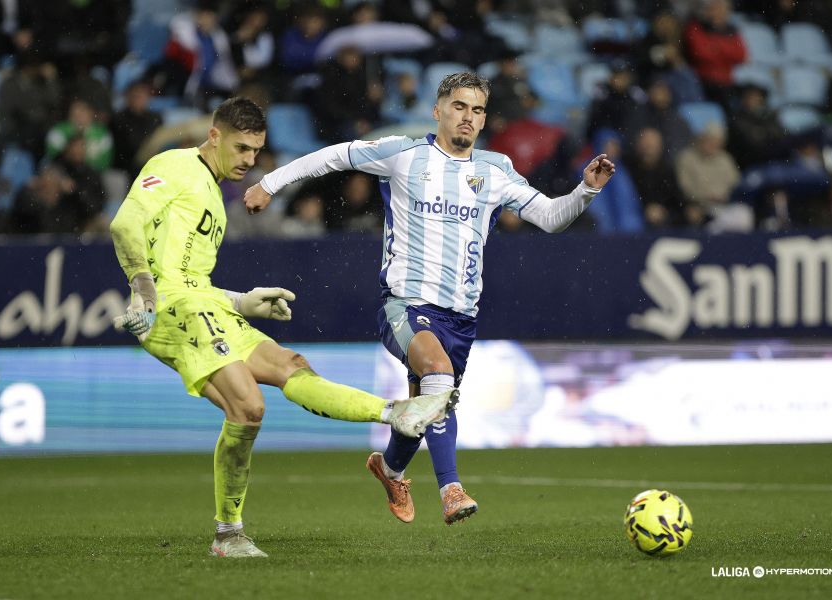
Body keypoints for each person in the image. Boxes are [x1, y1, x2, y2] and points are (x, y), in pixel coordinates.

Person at [243, 73, 614, 525]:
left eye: (477, 110)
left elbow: (551, 218)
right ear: (438, 110)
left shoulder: (495, 170)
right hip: (405, 304)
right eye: (459, 106)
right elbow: (335, 156)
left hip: (461, 316)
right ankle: (451, 489)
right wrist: (270, 184)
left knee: (423, 410)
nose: (468, 117)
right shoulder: (405, 154)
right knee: (437, 376)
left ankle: (390, 466)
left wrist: (586, 190)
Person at [109, 97, 457, 558]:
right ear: (214, 136)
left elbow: (189, 274)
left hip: (201, 302)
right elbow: (124, 224)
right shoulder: (173, 165)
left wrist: (242, 301)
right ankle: (229, 533)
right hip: (172, 310)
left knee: (289, 365)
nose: (250, 161)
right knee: (249, 406)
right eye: (242, 149)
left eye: (257, 152)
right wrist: (142, 289)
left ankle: (394, 413)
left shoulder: (215, 191)